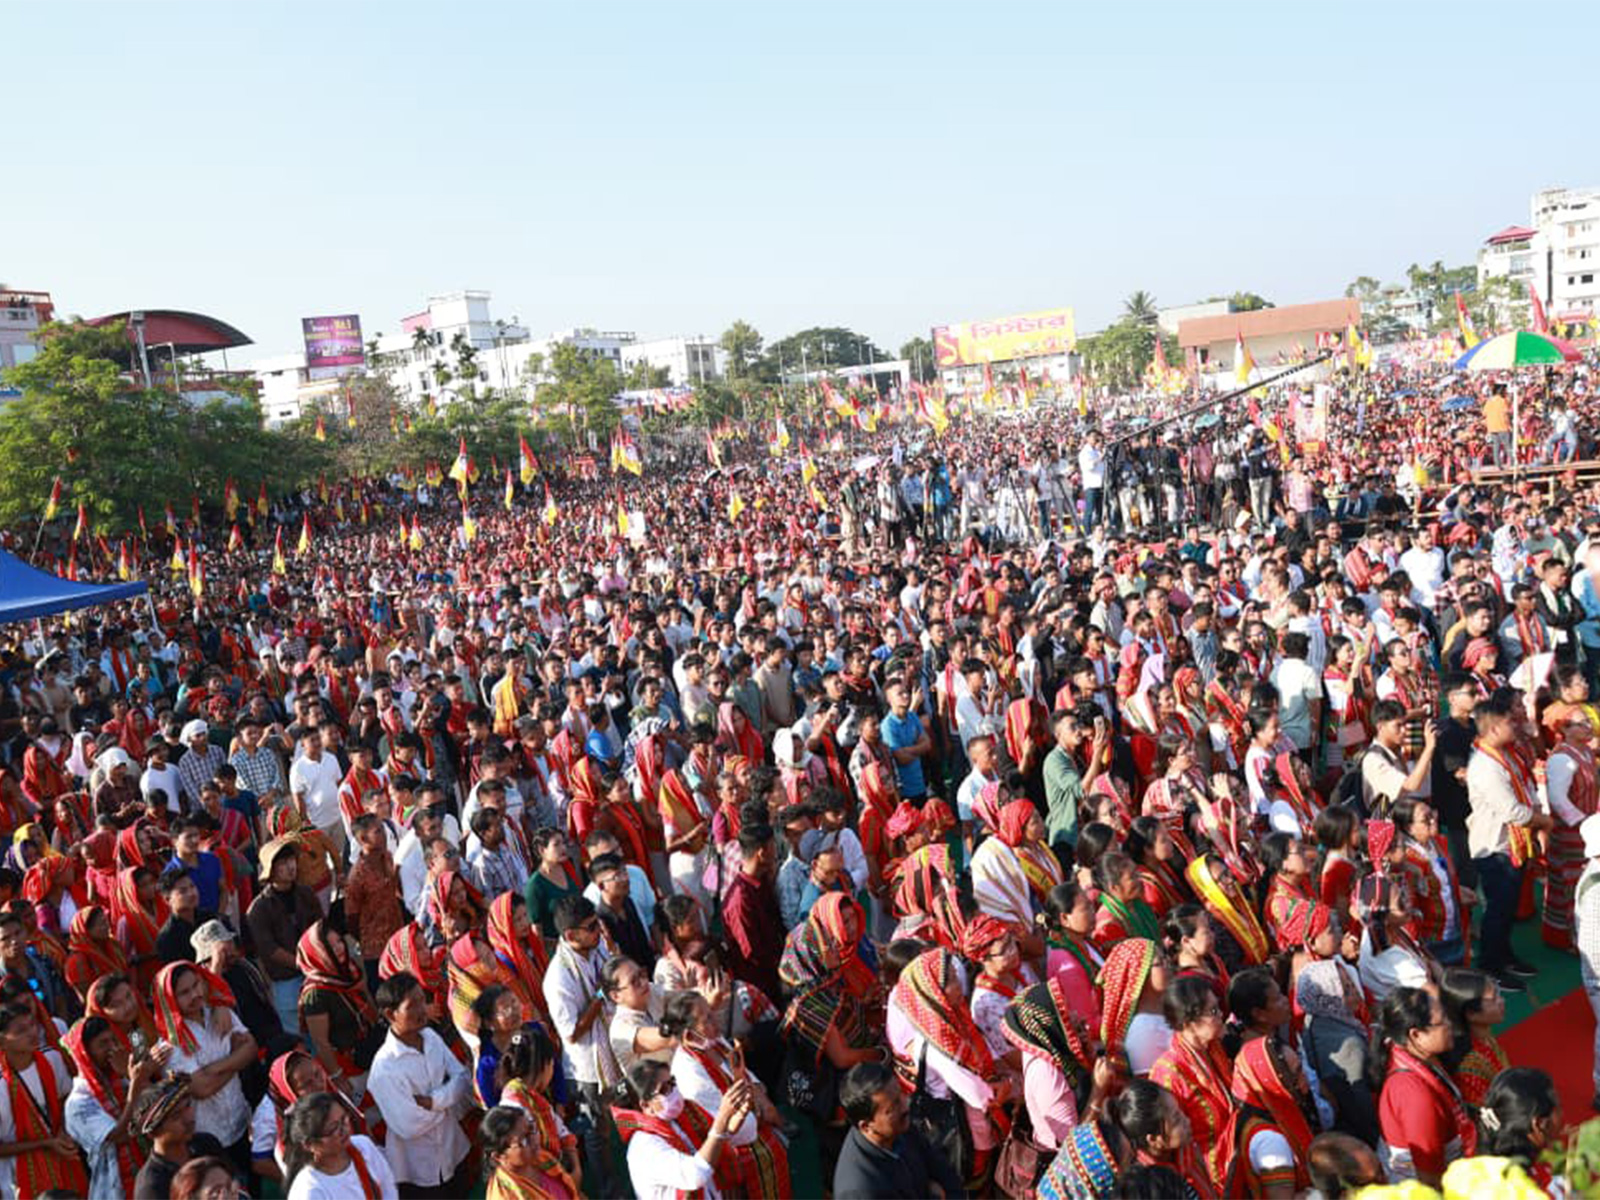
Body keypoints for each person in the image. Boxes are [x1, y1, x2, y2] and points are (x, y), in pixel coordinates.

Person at [1465, 699, 1550, 987]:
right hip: (1495, 847)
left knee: (1507, 906)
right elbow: (1512, 811)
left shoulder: (1505, 755)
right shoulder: (1486, 766)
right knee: (1498, 909)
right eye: (1508, 722)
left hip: (1513, 843)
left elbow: (1526, 789)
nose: (1514, 725)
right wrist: (1543, 822)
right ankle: (1490, 965)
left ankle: (1504, 956)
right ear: (1492, 729)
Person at [365, 971, 472, 1197]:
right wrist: (447, 1105)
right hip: (417, 1169)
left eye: (422, 1000)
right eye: (412, 1005)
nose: (422, 1009)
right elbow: (408, 1125)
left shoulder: (431, 1037)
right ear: (390, 1014)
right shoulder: (385, 1067)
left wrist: (434, 1102)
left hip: (452, 1152)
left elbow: (462, 1078)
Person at [152, 961, 256, 1171]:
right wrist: (236, 1059)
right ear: (170, 999)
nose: (194, 995)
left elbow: (252, 1048)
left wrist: (213, 1069)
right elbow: (201, 1089)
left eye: (196, 985)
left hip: (240, 1120)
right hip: (208, 1135)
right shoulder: (170, 1043)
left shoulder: (219, 1013)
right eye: (184, 992)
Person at [1373, 985, 1476, 1187]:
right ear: (1416, 1035)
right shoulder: (1413, 1095)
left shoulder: (1417, 1057)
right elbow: (1429, 1177)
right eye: (1442, 1022)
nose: (1450, 1026)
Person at [614, 1057, 754, 1200]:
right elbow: (695, 1175)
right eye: (664, 1089)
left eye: (672, 1082)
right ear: (645, 1106)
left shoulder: (682, 1115)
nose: (673, 1090)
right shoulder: (644, 1146)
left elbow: (709, 1143)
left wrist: (733, 1122)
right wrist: (722, 1120)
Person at [63, 1012, 168, 1200]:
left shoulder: (121, 1081)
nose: (112, 1049)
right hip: (116, 1188)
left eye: (113, 1040)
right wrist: (135, 1084)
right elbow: (118, 1136)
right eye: (103, 1044)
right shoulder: (78, 1103)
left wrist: (132, 1078)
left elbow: (160, 1108)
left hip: (150, 1172)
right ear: (85, 1053)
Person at [1148, 974, 1235, 1191]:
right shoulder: (1168, 1074)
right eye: (1213, 1011)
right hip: (1208, 1178)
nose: (1221, 1014)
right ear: (1189, 1023)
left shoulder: (1213, 1048)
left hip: (1235, 1159)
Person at [832, 1060, 963, 1200]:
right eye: (893, 1106)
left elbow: (944, 1173)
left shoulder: (899, 1126)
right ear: (866, 1126)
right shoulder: (860, 1190)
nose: (906, 1105)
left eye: (901, 1094)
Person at [0, 999, 84, 1198]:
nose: (32, 1033)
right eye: (21, 1031)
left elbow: (66, 1098)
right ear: (2, 1041)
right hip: (17, 1176)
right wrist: (45, 1143)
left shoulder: (51, 1059)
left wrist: (63, 1130)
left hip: (62, 1161)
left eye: (32, 1025)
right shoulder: (2, 1086)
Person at [246, 835, 322, 1035]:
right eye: (282, 863)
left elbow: (321, 927)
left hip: (317, 971)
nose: (290, 867)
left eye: (291, 860)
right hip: (287, 980)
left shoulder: (305, 893)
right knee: (298, 1035)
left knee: (324, 1030)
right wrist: (301, 963)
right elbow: (269, 949)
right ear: (270, 869)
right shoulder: (258, 908)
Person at [1227, 1035, 1315, 1197]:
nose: (1305, 1078)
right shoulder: (1271, 1142)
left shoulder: (1252, 1120)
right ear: (1275, 1082)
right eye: (1297, 1072)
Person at [282, 1090, 399, 1200]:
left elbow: (388, 1189)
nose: (344, 1130)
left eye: (344, 1119)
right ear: (309, 1144)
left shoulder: (363, 1146)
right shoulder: (310, 1191)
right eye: (333, 1128)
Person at [479, 1102, 580, 1200]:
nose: (534, 1140)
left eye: (531, 1129)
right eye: (523, 1140)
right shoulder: (504, 1196)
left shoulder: (540, 1158)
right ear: (499, 1157)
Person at [130, 1076, 198, 1200]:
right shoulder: (151, 1187)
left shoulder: (206, 1144)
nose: (189, 1118)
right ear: (153, 1133)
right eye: (176, 1116)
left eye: (188, 1106)